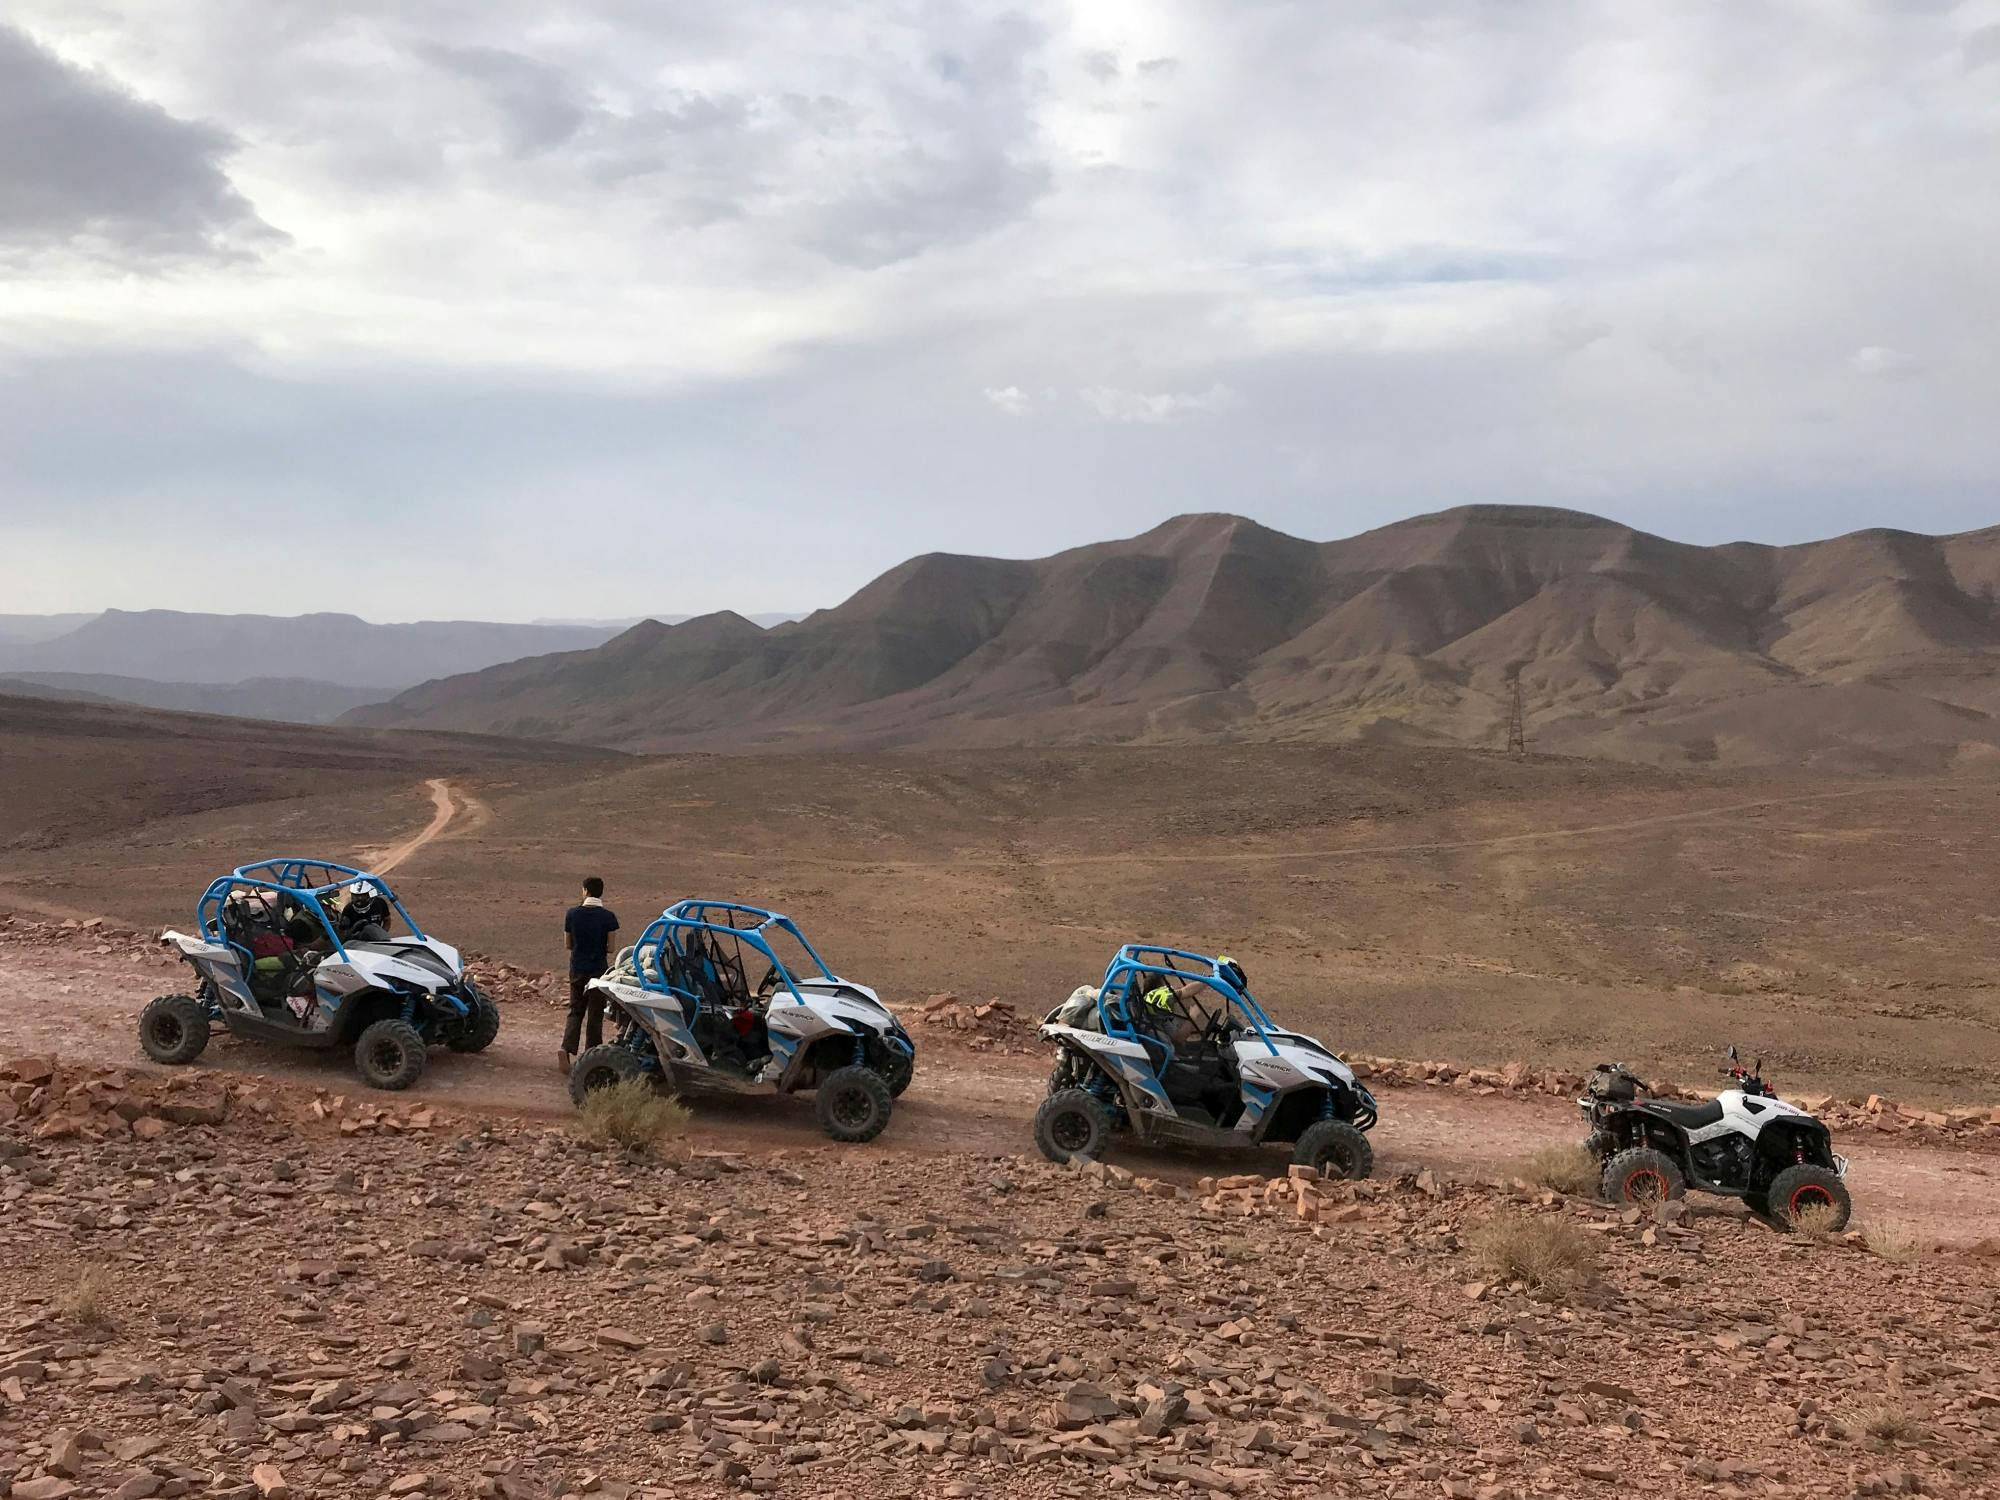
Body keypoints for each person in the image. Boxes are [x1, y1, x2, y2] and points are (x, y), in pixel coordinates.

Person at [560, 876, 620, 1073]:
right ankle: (591, 1058)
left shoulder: (572, 914)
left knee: (575, 1010)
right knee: (595, 1014)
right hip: (598, 971)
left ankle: (566, 1049)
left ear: (585, 891)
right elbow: (611, 948)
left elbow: (568, 944)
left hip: (577, 968)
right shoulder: (608, 917)